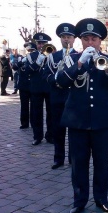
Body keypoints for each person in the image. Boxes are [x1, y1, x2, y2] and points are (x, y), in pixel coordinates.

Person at [56, 18, 108, 213]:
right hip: (78, 120)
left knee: (101, 162)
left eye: (93, 39)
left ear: (100, 41)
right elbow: (60, 82)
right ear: (81, 41)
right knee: (79, 163)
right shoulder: (73, 59)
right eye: (86, 39)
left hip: (102, 121)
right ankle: (79, 201)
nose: (90, 42)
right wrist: (79, 63)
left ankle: (101, 199)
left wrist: (107, 70)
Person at [43, 23, 77, 169]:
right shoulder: (53, 56)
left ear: (74, 39)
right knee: (58, 130)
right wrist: (56, 78)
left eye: (69, 37)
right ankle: (58, 158)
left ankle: (72, 158)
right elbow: (46, 75)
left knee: (74, 131)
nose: (66, 39)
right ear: (60, 39)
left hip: (73, 97)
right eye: (63, 37)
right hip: (57, 96)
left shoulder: (78, 56)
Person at [26, 33, 53, 145]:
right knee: (36, 113)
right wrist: (38, 61)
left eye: (43, 43)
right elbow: (28, 70)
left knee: (51, 113)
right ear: (36, 44)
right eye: (39, 43)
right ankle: (37, 136)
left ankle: (50, 136)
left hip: (49, 87)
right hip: (36, 88)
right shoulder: (31, 56)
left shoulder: (52, 54)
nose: (41, 45)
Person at [13, 43, 33, 128]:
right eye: (27, 50)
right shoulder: (21, 58)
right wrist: (21, 62)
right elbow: (14, 67)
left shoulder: (35, 58)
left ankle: (33, 122)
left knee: (33, 106)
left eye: (30, 50)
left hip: (32, 86)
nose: (29, 51)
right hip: (23, 85)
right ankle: (24, 123)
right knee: (24, 105)